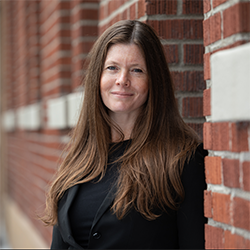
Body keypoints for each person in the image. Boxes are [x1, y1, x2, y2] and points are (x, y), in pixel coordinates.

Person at [42, 20, 207, 249]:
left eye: (136, 70)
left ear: (154, 81)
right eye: (112, 68)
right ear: (97, 78)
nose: (122, 80)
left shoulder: (183, 160)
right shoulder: (81, 155)